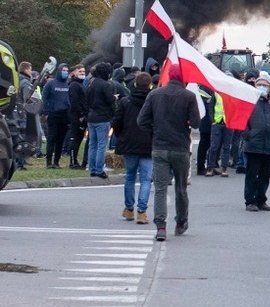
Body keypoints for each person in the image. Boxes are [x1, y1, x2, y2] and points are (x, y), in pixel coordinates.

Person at [138, 69, 198, 239]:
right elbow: (195, 122)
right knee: (181, 188)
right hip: (180, 148)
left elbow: (142, 120)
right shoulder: (189, 96)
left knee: (160, 188)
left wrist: (155, 132)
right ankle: (181, 221)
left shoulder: (154, 95)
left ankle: (160, 227)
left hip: (159, 147)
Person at [112, 71, 155, 224]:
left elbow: (116, 123)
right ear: (150, 85)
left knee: (130, 176)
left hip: (129, 142)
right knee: (145, 179)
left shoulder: (125, 102)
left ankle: (129, 208)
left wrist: (121, 136)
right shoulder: (153, 102)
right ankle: (142, 212)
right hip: (148, 144)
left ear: (135, 84)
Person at [240, 78, 270, 211]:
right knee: (252, 175)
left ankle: (261, 199)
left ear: (269, 87)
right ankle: (250, 201)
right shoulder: (249, 103)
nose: (262, 87)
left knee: (265, 176)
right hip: (253, 145)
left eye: (264, 85)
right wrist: (248, 135)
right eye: (259, 85)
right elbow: (241, 122)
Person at [84, 62, 122, 180]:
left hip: (91, 117)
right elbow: (110, 100)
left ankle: (92, 168)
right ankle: (99, 169)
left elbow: (87, 99)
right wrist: (114, 98)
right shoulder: (105, 85)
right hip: (103, 117)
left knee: (92, 144)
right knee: (101, 145)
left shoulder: (91, 83)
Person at [41, 64, 72, 167]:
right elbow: (44, 98)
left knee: (61, 139)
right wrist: (46, 112)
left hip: (65, 115)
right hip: (53, 114)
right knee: (51, 138)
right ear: (59, 71)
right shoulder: (51, 84)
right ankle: (49, 162)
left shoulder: (67, 84)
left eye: (67, 70)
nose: (65, 72)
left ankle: (56, 162)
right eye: (63, 70)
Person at [15, 61, 41, 170]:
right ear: (26, 69)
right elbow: (28, 98)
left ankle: (17, 162)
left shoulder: (16, 79)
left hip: (15, 111)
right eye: (30, 69)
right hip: (23, 114)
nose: (31, 71)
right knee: (23, 138)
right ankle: (20, 163)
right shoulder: (25, 82)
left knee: (17, 137)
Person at [64, 64, 89, 168]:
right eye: (80, 71)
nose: (82, 73)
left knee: (78, 138)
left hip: (80, 115)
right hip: (77, 116)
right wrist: (81, 114)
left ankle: (74, 161)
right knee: (75, 138)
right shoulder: (74, 85)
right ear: (73, 73)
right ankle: (73, 162)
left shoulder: (80, 84)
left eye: (83, 71)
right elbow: (74, 101)